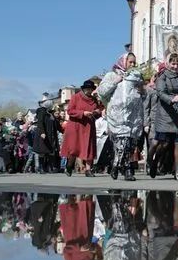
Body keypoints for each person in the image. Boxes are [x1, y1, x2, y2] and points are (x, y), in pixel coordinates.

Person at [98, 52, 145, 181]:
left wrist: (142, 90)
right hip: (117, 115)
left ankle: (121, 167)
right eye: (130, 62)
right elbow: (101, 91)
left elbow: (142, 95)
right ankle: (122, 167)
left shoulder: (136, 77)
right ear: (123, 61)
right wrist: (115, 81)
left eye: (134, 62)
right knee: (122, 142)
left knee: (130, 144)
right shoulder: (112, 75)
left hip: (133, 116)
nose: (132, 64)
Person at [61, 80, 101, 177]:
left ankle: (88, 170)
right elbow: (70, 111)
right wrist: (83, 113)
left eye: (91, 89)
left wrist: (96, 112)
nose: (89, 91)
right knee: (74, 148)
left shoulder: (94, 100)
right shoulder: (75, 97)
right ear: (83, 89)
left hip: (88, 126)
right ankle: (69, 166)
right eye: (87, 89)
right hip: (76, 126)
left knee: (89, 147)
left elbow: (99, 111)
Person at [34, 95, 61, 173]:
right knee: (42, 152)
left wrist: (63, 131)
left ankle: (50, 168)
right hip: (43, 135)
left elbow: (56, 124)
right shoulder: (41, 111)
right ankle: (41, 168)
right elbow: (40, 122)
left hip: (51, 135)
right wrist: (42, 132)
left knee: (50, 151)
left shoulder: (50, 113)